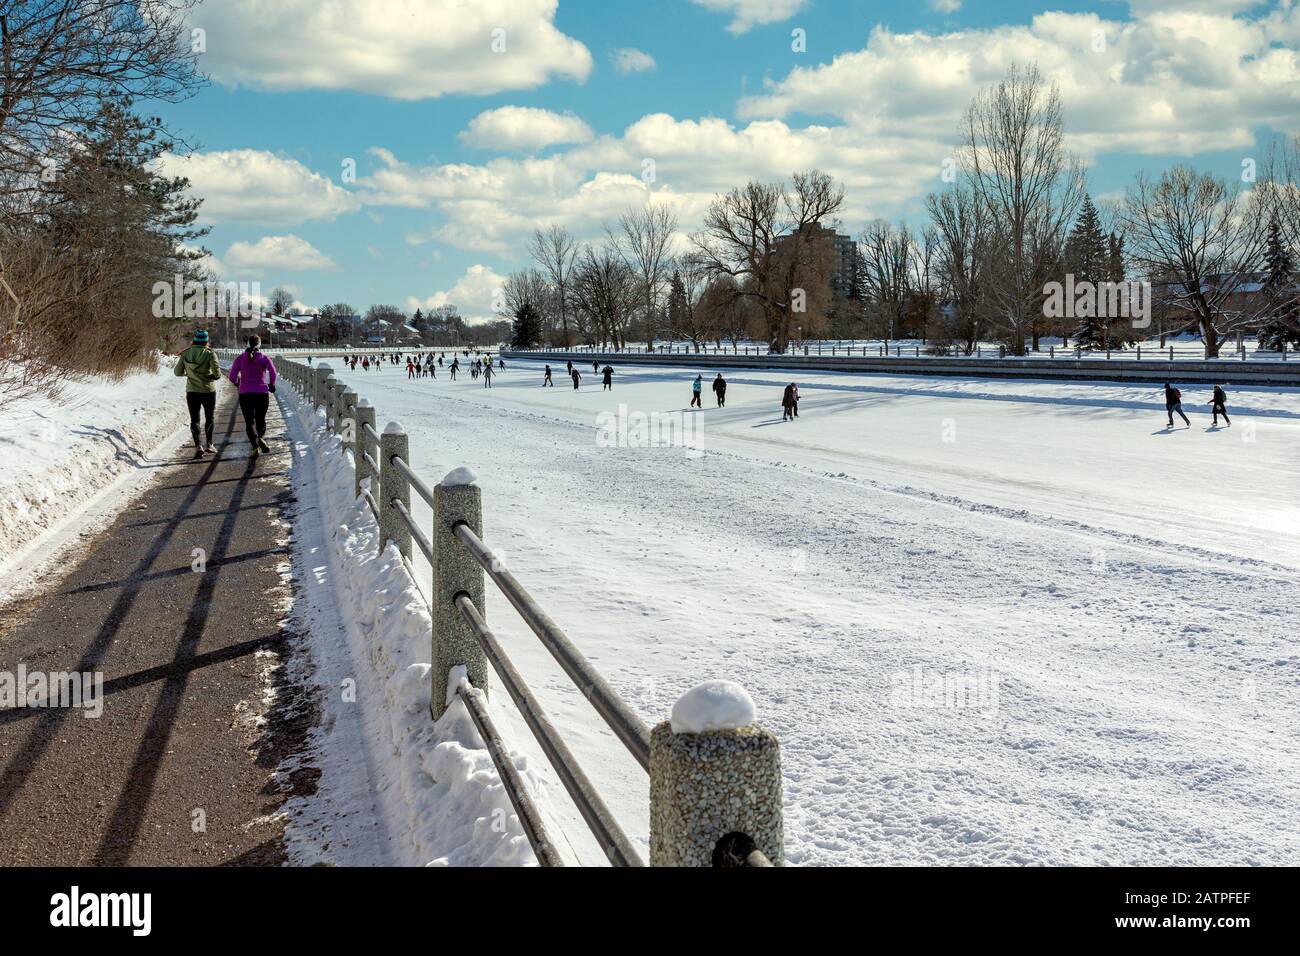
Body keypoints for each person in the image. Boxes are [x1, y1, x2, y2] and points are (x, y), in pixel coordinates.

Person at [173, 329, 221, 456]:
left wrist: (189, 374)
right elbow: (217, 374)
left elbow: (177, 372)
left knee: (195, 419)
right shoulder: (210, 354)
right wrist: (211, 376)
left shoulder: (186, 354)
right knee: (209, 418)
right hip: (208, 390)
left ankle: (198, 445)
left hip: (192, 391)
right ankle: (209, 444)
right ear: (206, 341)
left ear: (194, 339)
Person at [228, 335, 277, 457]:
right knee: (260, 418)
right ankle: (260, 438)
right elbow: (273, 372)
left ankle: (255, 446)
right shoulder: (265, 358)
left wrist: (237, 382)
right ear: (259, 345)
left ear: (247, 344)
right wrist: (271, 384)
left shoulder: (239, 359)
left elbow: (232, 376)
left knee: (249, 421)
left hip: (245, 394)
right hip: (262, 393)